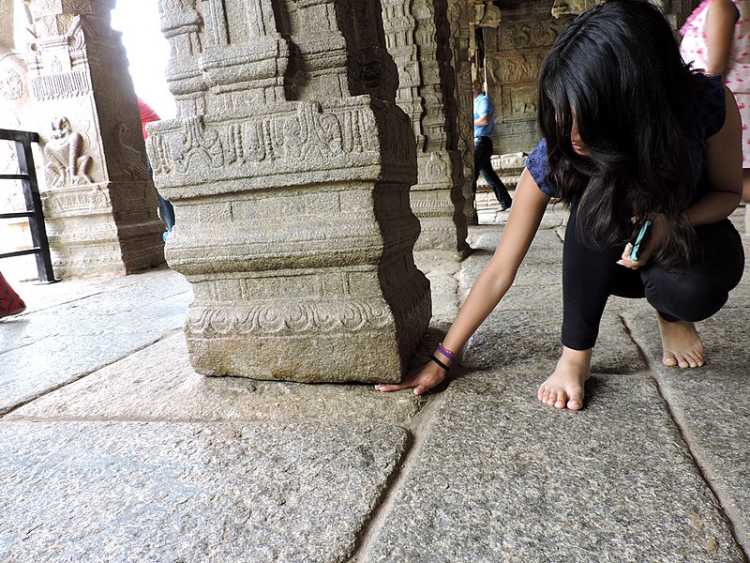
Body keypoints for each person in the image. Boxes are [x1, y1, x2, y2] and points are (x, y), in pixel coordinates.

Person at [377, 0, 745, 411]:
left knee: (689, 291)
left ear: (637, 100)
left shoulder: (705, 106)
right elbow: (501, 267)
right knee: (597, 199)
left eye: (586, 114)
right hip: (615, 262)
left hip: (685, 242)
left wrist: (670, 222)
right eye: (561, 112)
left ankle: (671, 314)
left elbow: (729, 193)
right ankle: (574, 356)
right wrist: (442, 359)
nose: (570, 131)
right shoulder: (557, 150)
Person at [680, 0, 750, 201]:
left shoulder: (722, 5)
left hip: (726, 107)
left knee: (731, 184)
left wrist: (701, 110)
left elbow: (715, 69)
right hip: (732, 104)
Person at [472, 81, 513, 210]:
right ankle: (506, 201)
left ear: (477, 87)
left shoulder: (483, 100)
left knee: (472, 173)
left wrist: (468, 123)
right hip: (480, 141)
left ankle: (468, 206)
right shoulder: (474, 102)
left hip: (482, 141)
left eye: (472, 86)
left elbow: (484, 120)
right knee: (489, 175)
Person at [138, 98, 175, 240]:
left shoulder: (126, 100)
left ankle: (171, 229)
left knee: (160, 190)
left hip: (152, 146)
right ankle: (169, 228)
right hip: (151, 146)